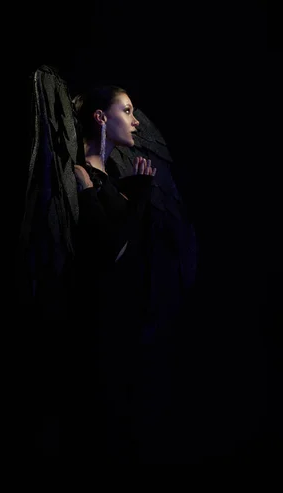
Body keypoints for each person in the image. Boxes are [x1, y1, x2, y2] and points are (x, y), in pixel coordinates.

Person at [21, 66, 197, 463]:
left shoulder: (116, 180)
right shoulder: (82, 175)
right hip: (94, 329)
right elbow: (105, 249)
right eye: (127, 110)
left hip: (126, 326)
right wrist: (136, 199)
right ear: (101, 116)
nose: (135, 121)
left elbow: (135, 252)